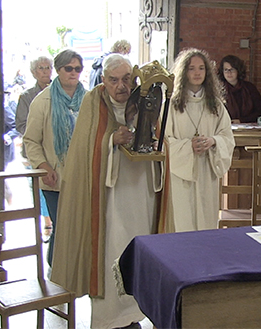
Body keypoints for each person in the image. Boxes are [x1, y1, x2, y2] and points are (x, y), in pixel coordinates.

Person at [51, 54, 163, 329]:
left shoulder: (143, 99)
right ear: (104, 80)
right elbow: (83, 147)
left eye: (126, 79)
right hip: (107, 197)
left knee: (138, 247)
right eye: (114, 80)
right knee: (111, 248)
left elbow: (158, 134)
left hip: (139, 189)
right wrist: (111, 139)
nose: (121, 86)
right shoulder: (94, 101)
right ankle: (110, 318)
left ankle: (135, 313)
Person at [23, 49, 86, 267]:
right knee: (62, 226)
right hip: (55, 177)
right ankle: (56, 271)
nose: (73, 73)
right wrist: (43, 166)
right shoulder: (43, 101)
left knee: (80, 226)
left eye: (77, 69)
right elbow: (30, 140)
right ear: (58, 70)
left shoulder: (88, 100)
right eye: (68, 68)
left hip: (83, 175)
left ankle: (76, 270)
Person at [166, 48, 235, 231]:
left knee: (206, 220)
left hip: (206, 171)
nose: (197, 73)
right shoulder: (172, 105)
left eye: (201, 68)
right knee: (182, 221)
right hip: (181, 174)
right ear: (183, 72)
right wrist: (188, 147)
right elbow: (164, 141)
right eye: (191, 68)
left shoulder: (216, 105)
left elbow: (227, 137)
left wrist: (213, 141)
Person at [16, 55, 53, 241]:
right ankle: (46, 222)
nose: (45, 71)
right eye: (41, 68)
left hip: (56, 150)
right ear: (33, 72)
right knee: (40, 187)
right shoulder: (27, 96)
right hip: (36, 149)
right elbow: (21, 124)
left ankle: (53, 222)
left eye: (48, 67)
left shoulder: (59, 92)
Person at [218, 55, 261, 123]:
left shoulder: (250, 88)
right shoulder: (218, 90)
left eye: (232, 69)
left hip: (248, 127)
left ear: (238, 70)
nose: (229, 73)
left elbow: (259, 112)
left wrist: (241, 121)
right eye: (226, 70)